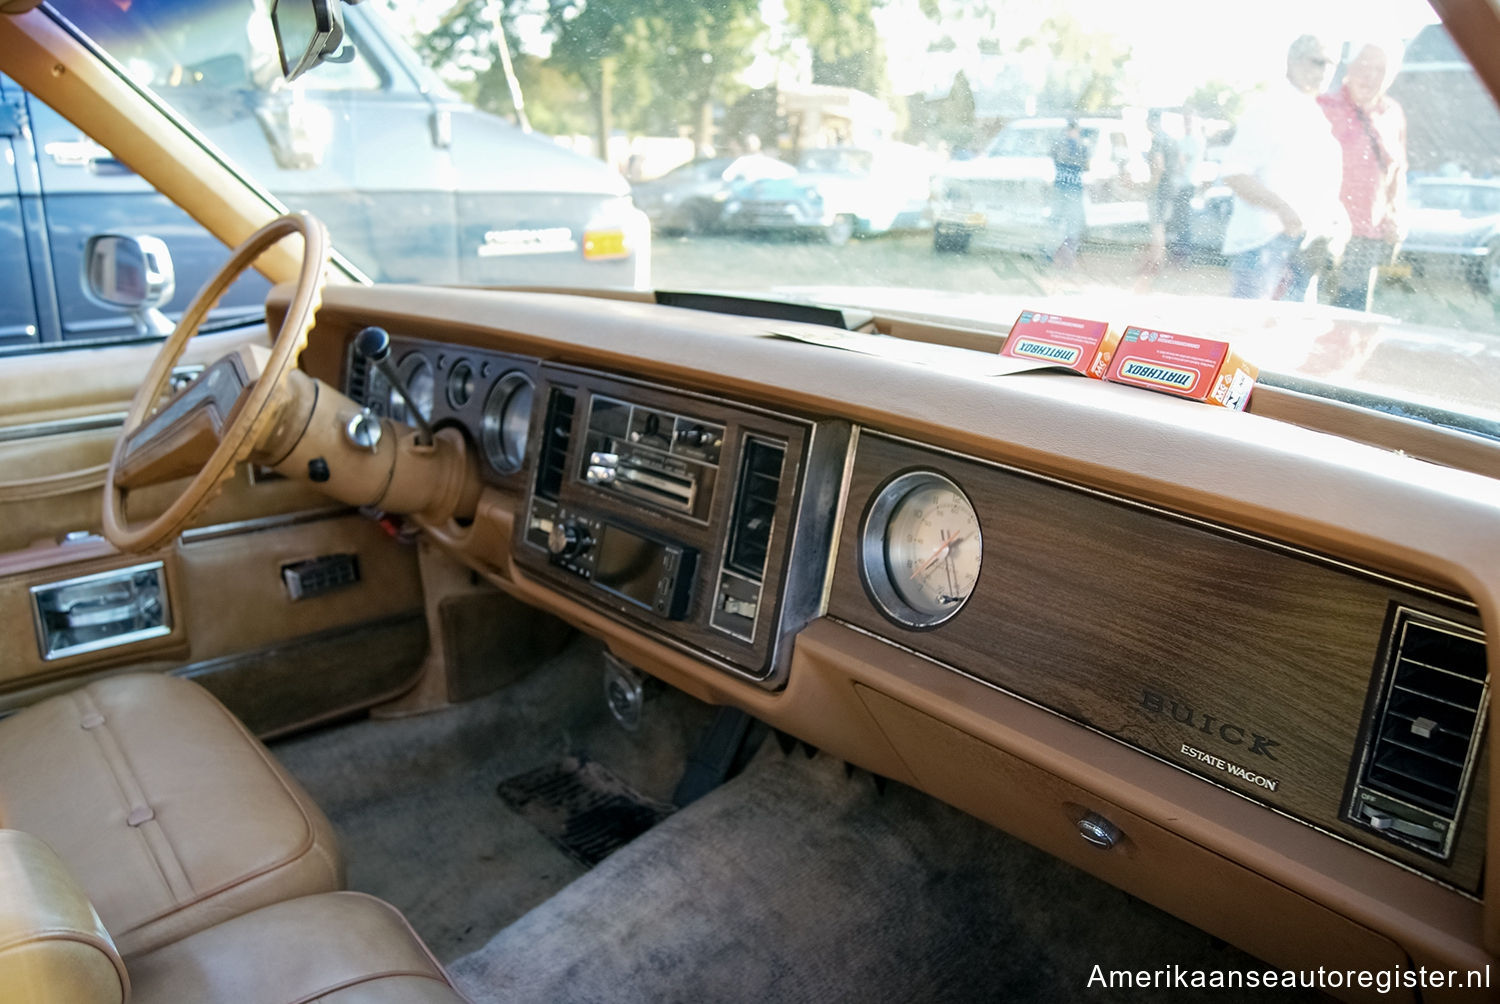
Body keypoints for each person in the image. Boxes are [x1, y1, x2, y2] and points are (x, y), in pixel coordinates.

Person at [1220, 35, 1349, 300]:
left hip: (1304, 246)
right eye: (1317, 61)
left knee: (1291, 336)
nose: (1324, 70)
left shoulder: (1313, 113)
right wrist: (1282, 208)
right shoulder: (1270, 107)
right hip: (1265, 245)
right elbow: (1234, 173)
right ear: (1291, 62)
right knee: (1248, 333)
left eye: (1331, 64)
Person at [1319, 41, 1408, 311]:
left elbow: (1397, 170)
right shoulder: (1323, 106)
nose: (1370, 76)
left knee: (1352, 319)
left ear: (1391, 76)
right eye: (1364, 66)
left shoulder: (1393, 113)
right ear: (1349, 67)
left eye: (1380, 70)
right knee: (1307, 315)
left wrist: (1396, 215)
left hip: (1368, 235)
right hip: (1325, 231)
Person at [1144, 109, 1182, 271]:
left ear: (1150, 121)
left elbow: (1158, 166)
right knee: (1162, 224)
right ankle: (1159, 259)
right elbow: (1181, 164)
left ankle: (1155, 262)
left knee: (1157, 225)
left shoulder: (1158, 140)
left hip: (1161, 187)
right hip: (1172, 187)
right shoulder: (1172, 139)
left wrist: (1151, 186)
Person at [1050, 119, 1090, 267]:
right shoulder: (1081, 146)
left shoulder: (1058, 143)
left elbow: (1053, 157)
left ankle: (1055, 255)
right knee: (1072, 224)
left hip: (1061, 186)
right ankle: (1067, 258)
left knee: (1057, 221)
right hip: (1073, 188)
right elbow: (1086, 166)